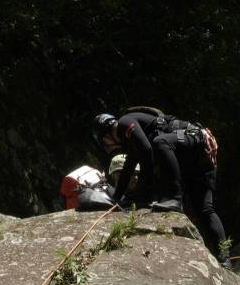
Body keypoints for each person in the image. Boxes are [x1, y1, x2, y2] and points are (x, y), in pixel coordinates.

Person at [93, 111, 231, 266]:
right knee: (205, 209)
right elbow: (128, 167)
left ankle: (175, 199)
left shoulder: (125, 122)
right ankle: (225, 259)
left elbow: (146, 152)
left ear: (107, 134)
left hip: (194, 141)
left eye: (104, 141)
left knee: (161, 142)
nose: (107, 145)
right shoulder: (132, 141)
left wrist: (142, 197)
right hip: (197, 154)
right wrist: (116, 198)